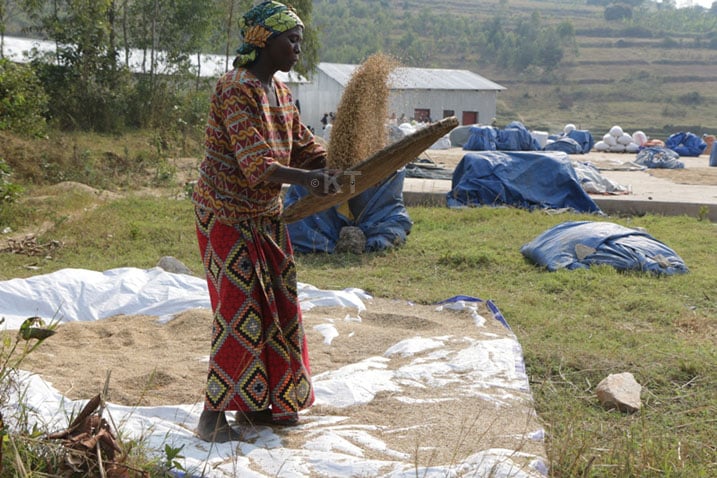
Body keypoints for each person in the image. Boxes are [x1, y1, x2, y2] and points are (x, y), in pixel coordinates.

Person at [192, 0, 341, 443]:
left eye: (299, 40)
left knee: (278, 307)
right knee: (240, 311)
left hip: (265, 216)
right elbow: (257, 165)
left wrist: (340, 166)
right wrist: (310, 179)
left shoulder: (280, 93)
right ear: (264, 41)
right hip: (225, 214)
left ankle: (262, 407)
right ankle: (213, 417)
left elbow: (304, 147)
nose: (298, 47)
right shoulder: (235, 88)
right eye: (291, 40)